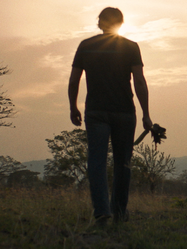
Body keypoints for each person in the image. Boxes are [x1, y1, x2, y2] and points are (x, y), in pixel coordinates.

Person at [68, 7, 152, 225]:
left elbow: (74, 80)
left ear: (99, 22)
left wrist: (73, 107)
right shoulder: (131, 47)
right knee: (122, 162)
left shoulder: (85, 46)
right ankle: (120, 213)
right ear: (121, 23)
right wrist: (146, 114)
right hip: (124, 111)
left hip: (96, 111)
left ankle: (102, 211)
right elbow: (140, 82)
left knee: (96, 160)